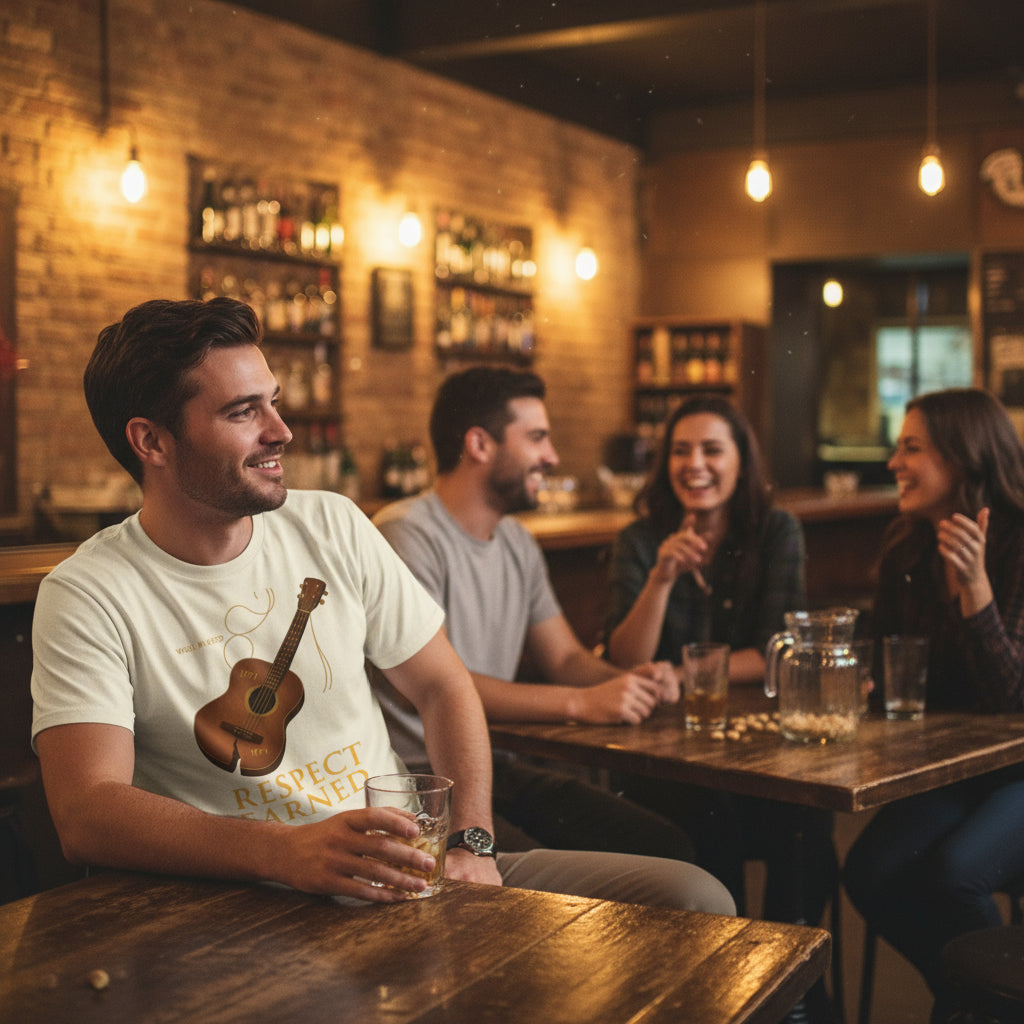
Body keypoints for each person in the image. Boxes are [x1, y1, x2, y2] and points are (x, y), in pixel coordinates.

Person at [30, 297, 730, 914]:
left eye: (274, 400)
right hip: (244, 902)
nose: (282, 430)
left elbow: (443, 684)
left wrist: (471, 842)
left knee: (695, 897)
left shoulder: (331, 524)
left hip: (413, 871)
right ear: (151, 440)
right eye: (244, 412)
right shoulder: (89, 592)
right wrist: (283, 854)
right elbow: (87, 812)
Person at [371, 367, 733, 915]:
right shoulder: (407, 533)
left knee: (670, 844)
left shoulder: (517, 541)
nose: (553, 456)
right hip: (426, 788)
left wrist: (627, 679)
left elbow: (563, 657)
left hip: (497, 765)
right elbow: (435, 686)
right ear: (479, 444)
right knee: (554, 896)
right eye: (537, 437)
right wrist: (582, 703)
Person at [603, 395, 838, 933]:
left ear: (740, 460)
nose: (695, 465)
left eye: (712, 449)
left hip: (759, 748)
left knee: (806, 815)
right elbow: (627, 661)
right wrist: (661, 577)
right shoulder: (640, 541)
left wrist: (683, 675)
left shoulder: (776, 532)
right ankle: (725, 969)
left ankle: (793, 977)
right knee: (710, 819)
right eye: (681, 451)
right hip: (663, 753)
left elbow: (777, 650)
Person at [843, 387, 1024, 1018]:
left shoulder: (1018, 543)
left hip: (1020, 765)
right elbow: (901, 675)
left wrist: (976, 591)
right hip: (958, 766)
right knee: (867, 872)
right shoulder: (907, 546)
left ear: (964, 456)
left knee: (954, 875)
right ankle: (978, 1001)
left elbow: (1011, 700)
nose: (893, 463)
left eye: (910, 447)